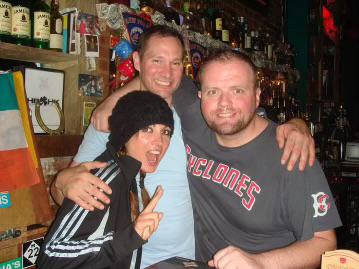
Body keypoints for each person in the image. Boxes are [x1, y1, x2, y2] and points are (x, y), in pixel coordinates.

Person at [51, 25, 315, 268]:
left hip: (187, 261)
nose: (167, 73)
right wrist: (62, 182)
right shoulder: (110, 120)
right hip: (124, 259)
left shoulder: (196, 115)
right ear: (137, 62)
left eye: (175, 63)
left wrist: (296, 125)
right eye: (157, 61)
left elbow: (240, 117)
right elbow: (63, 193)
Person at [173, 48, 341, 268]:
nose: (224, 104)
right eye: (213, 91)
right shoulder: (194, 119)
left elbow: (325, 245)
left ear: (257, 96)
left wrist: (259, 263)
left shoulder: (291, 155)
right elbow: (156, 75)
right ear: (200, 96)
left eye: (237, 91)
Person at [37, 91, 174, 269]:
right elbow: (51, 256)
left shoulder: (133, 176)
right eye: (147, 129)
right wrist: (130, 237)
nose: (159, 142)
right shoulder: (107, 179)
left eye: (165, 132)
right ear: (126, 134)